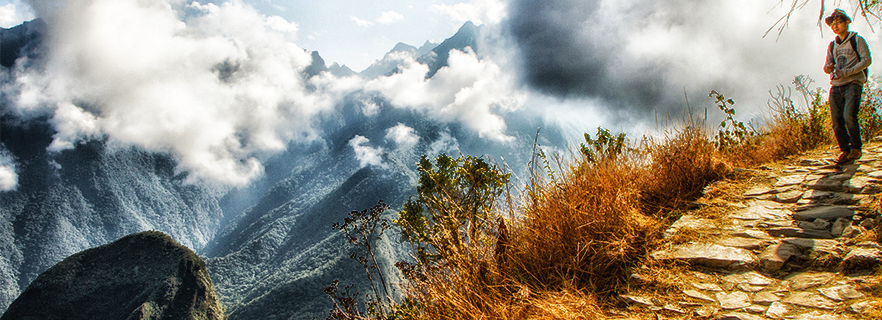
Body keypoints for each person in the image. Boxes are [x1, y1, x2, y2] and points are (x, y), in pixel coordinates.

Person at [824, 8, 872, 165]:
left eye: (839, 22)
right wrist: (829, 67)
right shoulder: (832, 45)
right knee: (837, 121)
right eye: (833, 24)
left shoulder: (857, 40)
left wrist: (850, 71)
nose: (835, 26)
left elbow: (866, 60)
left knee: (849, 115)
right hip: (836, 84)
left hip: (853, 83)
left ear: (846, 23)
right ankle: (845, 150)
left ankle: (856, 148)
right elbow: (826, 67)